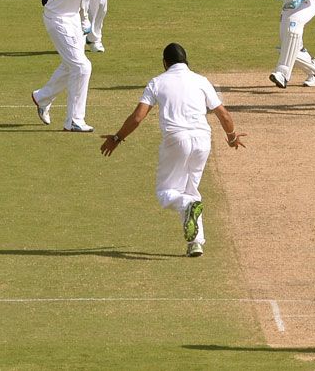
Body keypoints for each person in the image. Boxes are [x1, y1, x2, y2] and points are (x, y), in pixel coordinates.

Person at [99, 43, 247, 257]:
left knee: (166, 193)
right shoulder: (200, 80)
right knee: (191, 190)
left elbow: (137, 117)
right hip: (203, 141)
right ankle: (195, 243)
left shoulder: (157, 82)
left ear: (164, 63)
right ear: (186, 61)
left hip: (176, 140)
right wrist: (232, 137)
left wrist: (117, 138)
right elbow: (223, 114)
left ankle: (188, 208)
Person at [31, 0, 109, 132]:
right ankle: (74, 120)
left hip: (73, 18)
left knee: (70, 64)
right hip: (58, 20)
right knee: (82, 67)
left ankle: (41, 97)